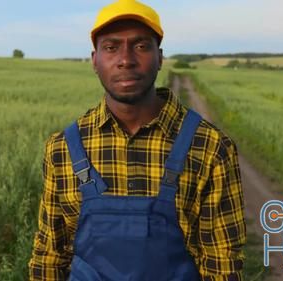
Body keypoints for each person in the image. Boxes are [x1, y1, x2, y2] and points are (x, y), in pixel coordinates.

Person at [29, 0, 246, 280]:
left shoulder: (210, 147)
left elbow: (223, 262)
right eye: (111, 47)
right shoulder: (62, 149)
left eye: (141, 46)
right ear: (95, 60)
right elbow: (49, 255)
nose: (126, 59)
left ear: (160, 58)